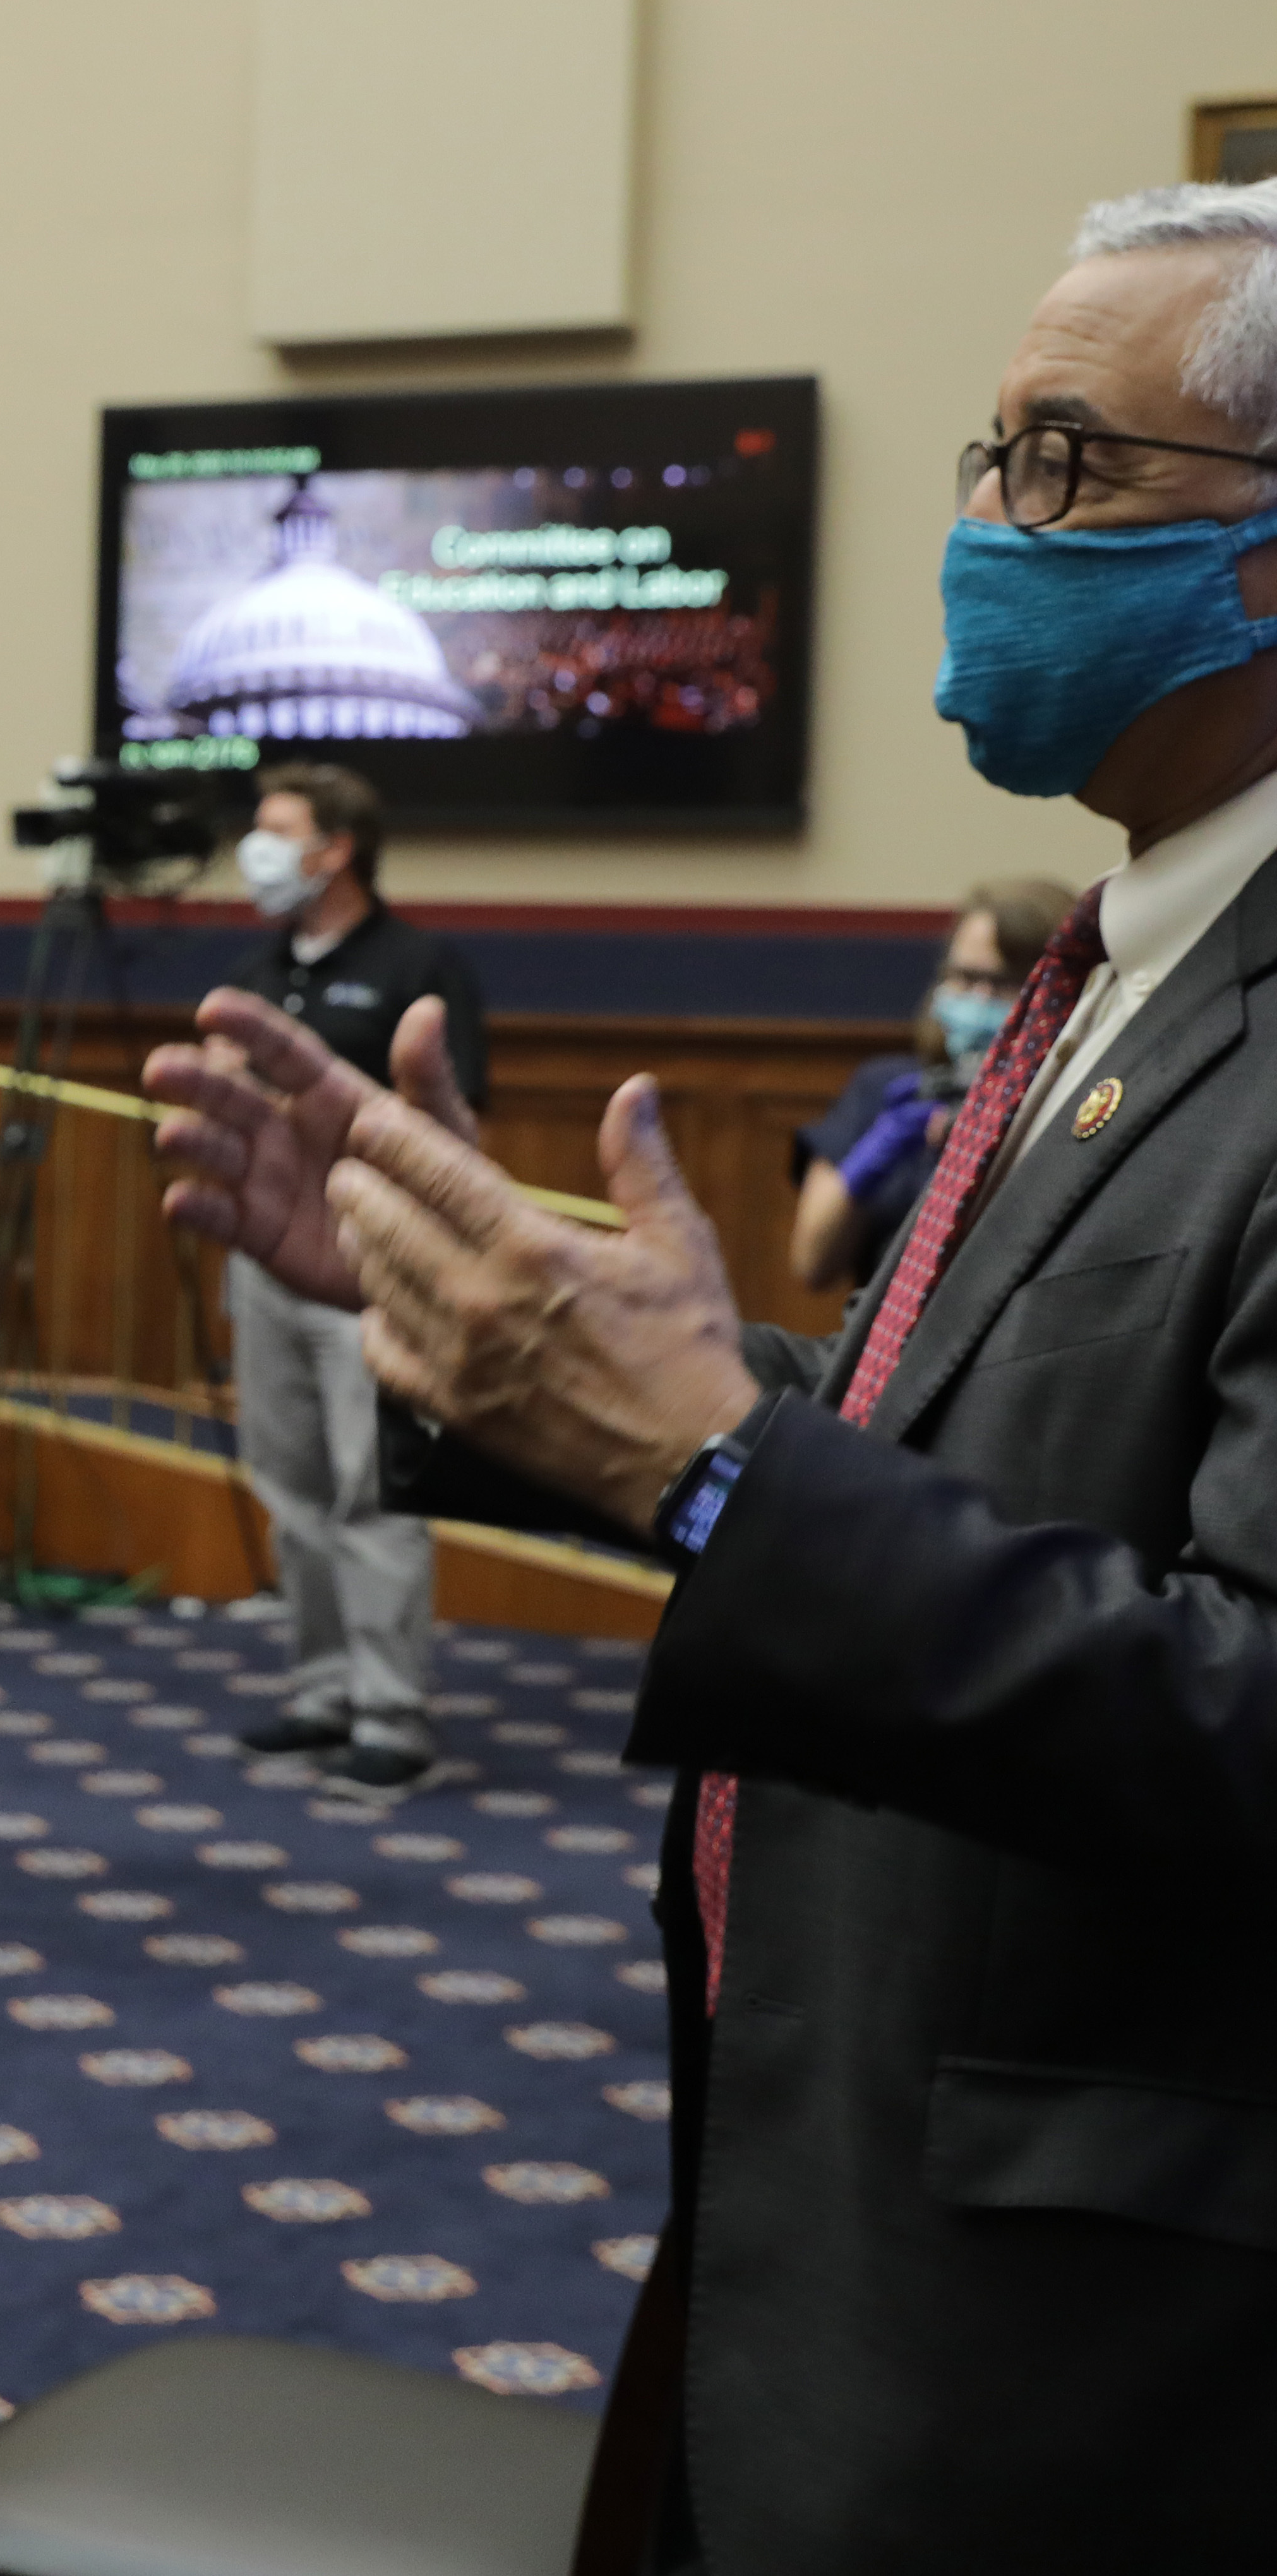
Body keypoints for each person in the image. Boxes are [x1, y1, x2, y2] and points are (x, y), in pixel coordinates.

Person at [142, 181, 1277, 2573]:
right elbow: (918, 1442)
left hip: (1121, 2337)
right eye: (987, 462)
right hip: (871, 2194)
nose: (988, 533)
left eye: (1064, 472)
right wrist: (473, 1293)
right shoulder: (1128, 949)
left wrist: (710, 1460)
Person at [219, 761, 488, 1798]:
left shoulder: (419, 962)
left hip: (373, 1261)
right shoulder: (251, 969)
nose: (256, 847)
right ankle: (320, 1688)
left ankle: (389, 1708)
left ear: (334, 848)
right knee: (287, 1479)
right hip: (265, 1259)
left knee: (369, 1482)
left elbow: (452, 1116)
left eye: (275, 828)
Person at [784, 878, 1072, 1290]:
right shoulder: (889, 1089)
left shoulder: (1073, 1101)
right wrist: (867, 1165)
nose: (978, 999)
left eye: (1006, 983)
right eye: (965, 977)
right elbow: (812, 1265)